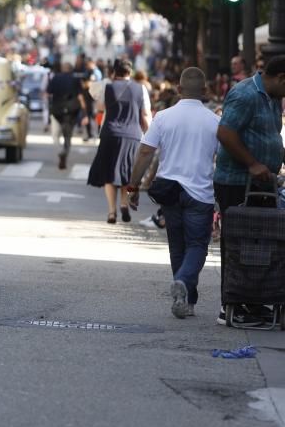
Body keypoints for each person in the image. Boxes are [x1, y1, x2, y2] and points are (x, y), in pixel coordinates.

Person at [127, 68, 218, 319]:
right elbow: (222, 159)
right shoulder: (214, 121)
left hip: (170, 191)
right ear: (205, 91)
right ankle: (184, 285)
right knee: (198, 245)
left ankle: (185, 296)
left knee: (177, 246)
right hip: (200, 193)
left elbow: (145, 152)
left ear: (178, 90)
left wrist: (133, 187)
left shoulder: (163, 117)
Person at [213, 54, 285, 326]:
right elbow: (225, 133)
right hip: (237, 182)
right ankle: (230, 303)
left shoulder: (272, 98)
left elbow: (267, 137)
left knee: (261, 243)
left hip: (261, 183)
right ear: (281, 78)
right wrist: (253, 163)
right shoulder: (245, 94)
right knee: (238, 243)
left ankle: (252, 302)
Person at [87, 59, 150, 224]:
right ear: (130, 72)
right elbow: (145, 115)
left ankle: (111, 212)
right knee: (126, 172)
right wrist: (149, 135)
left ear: (114, 72)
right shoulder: (140, 89)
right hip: (132, 135)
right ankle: (124, 203)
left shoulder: (108, 87)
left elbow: (99, 106)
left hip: (110, 133)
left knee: (109, 173)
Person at [47, 62, 86, 170]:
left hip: (57, 110)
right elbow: (80, 96)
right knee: (68, 134)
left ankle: (62, 150)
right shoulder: (75, 79)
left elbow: (48, 92)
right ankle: (65, 149)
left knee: (58, 132)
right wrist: (84, 113)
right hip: (72, 109)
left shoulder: (55, 78)